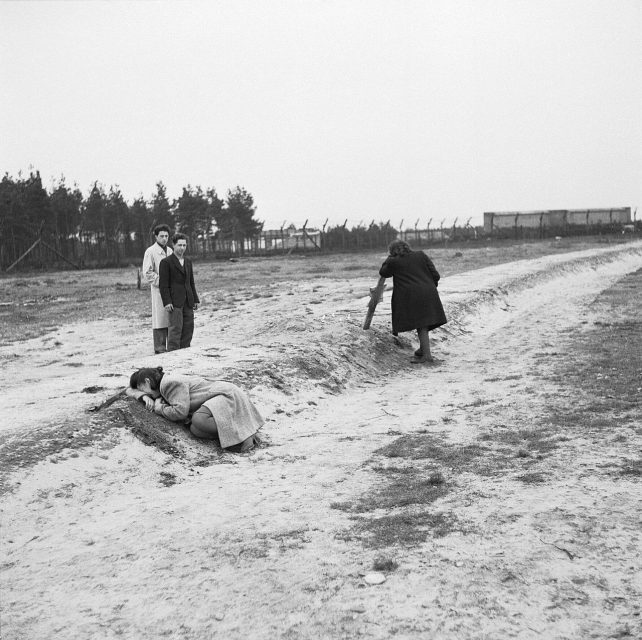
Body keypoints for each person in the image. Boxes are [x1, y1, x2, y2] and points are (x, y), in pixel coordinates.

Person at [126, 367, 263, 452]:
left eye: (142, 388)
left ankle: (244, 437)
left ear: (147, 382)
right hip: (216, 398)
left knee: (199, 419)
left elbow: (180, 412)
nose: (144, 392)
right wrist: (144, 397)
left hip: (225, 395)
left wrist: (159, 408)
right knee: (195, 430)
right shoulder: (162, 385)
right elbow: (128, 390)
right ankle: (236, 434)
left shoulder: (169, 383)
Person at [379, 239, 447, 364]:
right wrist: (429, 286)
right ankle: (423, 350)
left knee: (421, 323)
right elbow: (436, 275)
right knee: (425, 322)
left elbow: (383, 272)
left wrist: (388, 258)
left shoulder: (394, 261)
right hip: (429, 291)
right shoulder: (421, 255)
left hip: (410, 295)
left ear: (393, 251)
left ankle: (427, 356)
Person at [159, 233, 200, 351]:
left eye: (184, 245)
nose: (182, 248)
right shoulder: (166, 262)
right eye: (179, 245)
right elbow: (163, 285)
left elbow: (191, 282)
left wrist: (195, 299)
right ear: (173, 245)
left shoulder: (188, 262)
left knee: (188, 328)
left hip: (188, 301)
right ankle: (173, 355)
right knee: (175, 329)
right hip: (174, 302)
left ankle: (185, 353)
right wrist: (167, 302)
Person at [142, 224, 173, 354]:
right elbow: (147, 273)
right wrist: (162, 282)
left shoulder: (171, 251)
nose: (164, 239)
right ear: (156, 237)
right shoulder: (151, 251)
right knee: (160, 318)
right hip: (159, 290)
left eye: (166, 236)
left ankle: (171, 346)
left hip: (172, 290)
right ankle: (159, 348)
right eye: (161, 236)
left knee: (170, 317)